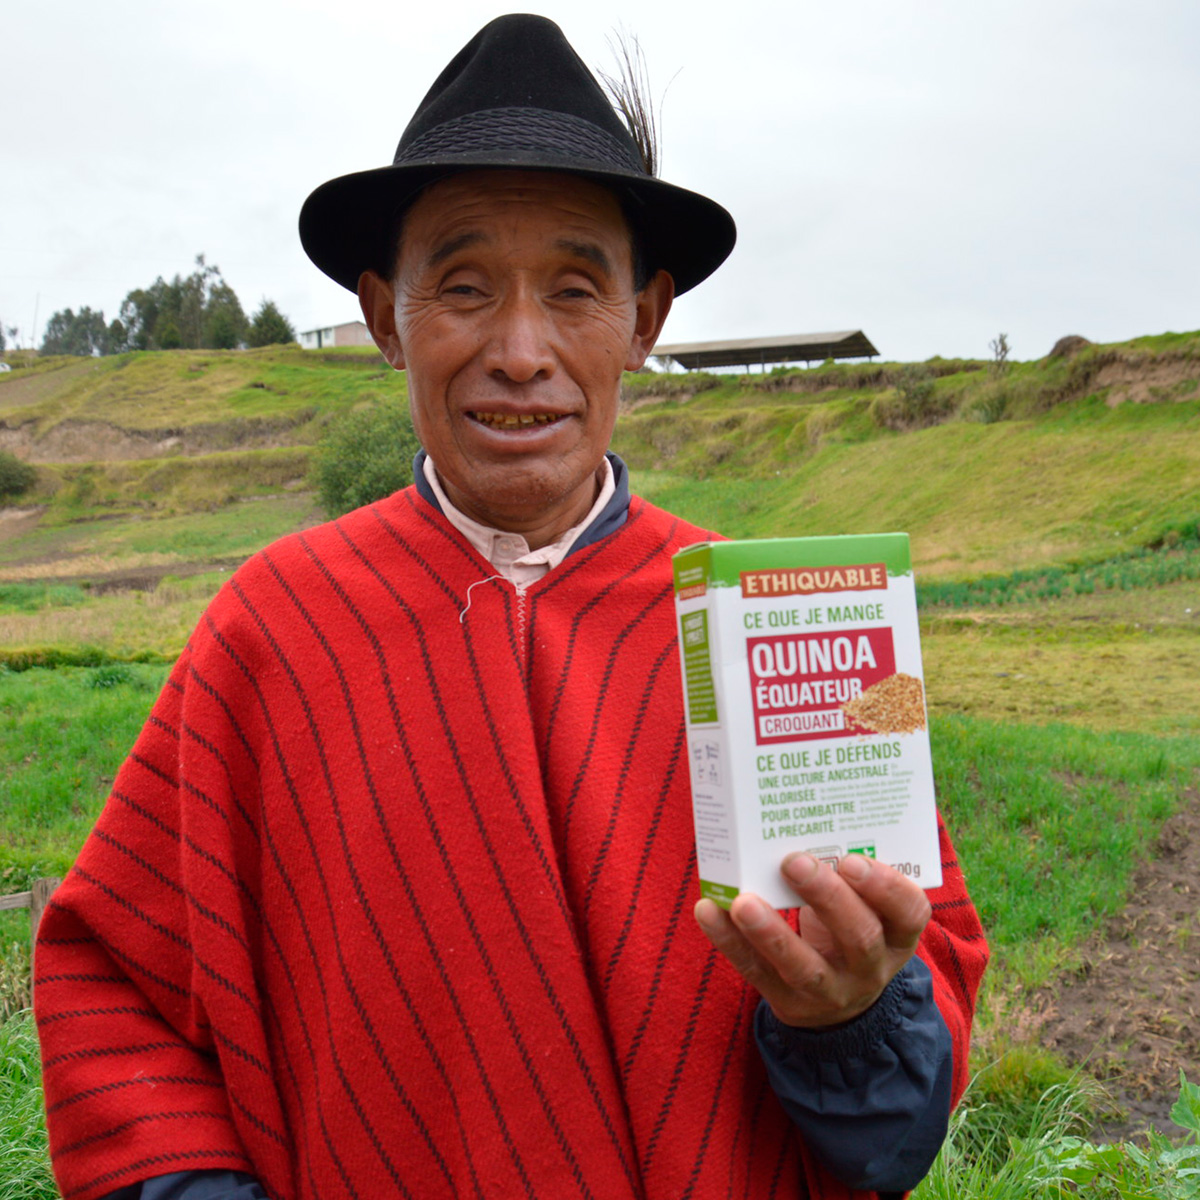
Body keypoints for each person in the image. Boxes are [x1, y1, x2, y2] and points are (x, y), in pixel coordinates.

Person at [35, 15, 987, 1200]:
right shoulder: (277, 628)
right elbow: (113, 979)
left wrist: (850, 1016)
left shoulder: (769, 621)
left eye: (578, 288)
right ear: (388, 318)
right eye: (466, 286)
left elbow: (906, 1082)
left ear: (644, 321)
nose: (522, 350)